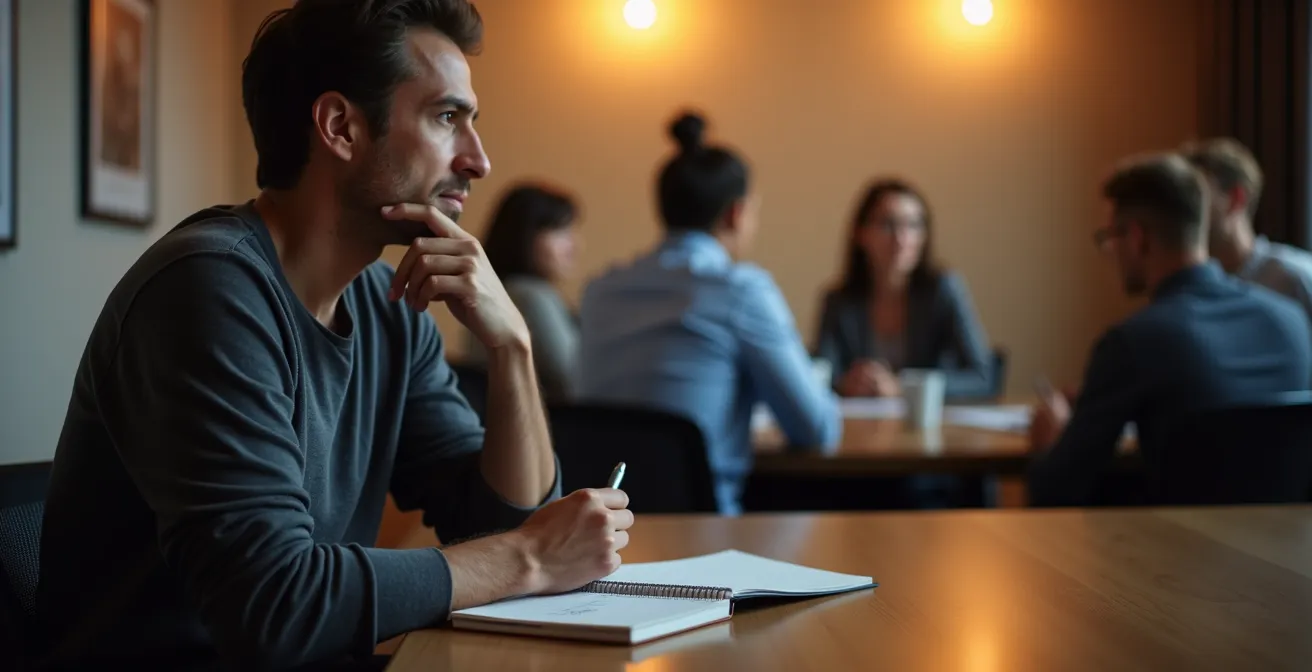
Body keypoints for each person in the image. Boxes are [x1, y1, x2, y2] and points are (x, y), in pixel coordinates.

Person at [36, 2, 633, 669]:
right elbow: (277, 608)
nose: (479, 160)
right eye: (445, 117)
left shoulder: (388, 307)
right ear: (340, 127)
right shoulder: (207, 290)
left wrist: (511, 348)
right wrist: (528, 556)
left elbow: (501, 530)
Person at [578, 112, 842, 515]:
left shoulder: (599, 291)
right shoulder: (740, 291)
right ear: (736, 213)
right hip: (707, 531)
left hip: (608, 530)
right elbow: (815, 430)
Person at [1027, 153, 1312, 506]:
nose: (1110, 252)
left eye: (1110, 237)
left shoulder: (1133, 341)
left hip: (1180, 555)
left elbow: (1056, 490)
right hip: (1287, 555)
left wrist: (1050, 438)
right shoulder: (1291, 319)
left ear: (1136, 238)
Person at [814, 179, 994, 400]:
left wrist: (901, 387)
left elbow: (983, 377)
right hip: (859, 428)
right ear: (860, 234)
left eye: (913, 225)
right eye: (887, 224)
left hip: (929, 428)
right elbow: (821, 377)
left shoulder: (943, 290)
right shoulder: (837, 302)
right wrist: (844, 384)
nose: (901, 238)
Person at [464, 183, 582, 401]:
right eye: (560, 231)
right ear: (525, 235)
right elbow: (573, 378)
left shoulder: (496, 290)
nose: (573, 245)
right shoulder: (530, 295)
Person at [1181, 137, 1312, 325]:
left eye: (1197, 198)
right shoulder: (1188, 291)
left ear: (1236, 199)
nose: (1186, 212)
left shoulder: (1296, 280)